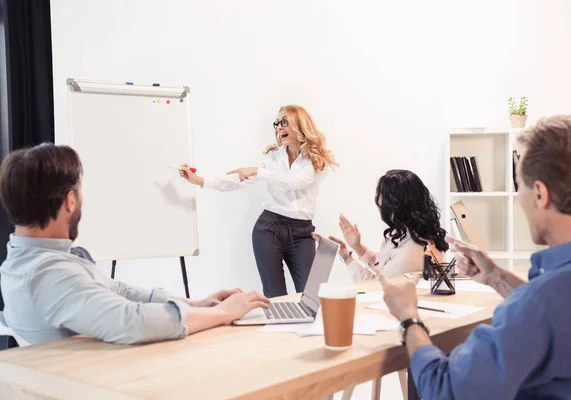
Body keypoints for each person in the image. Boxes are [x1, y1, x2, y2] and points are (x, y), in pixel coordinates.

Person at [376, 115, 571, 399]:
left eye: (520, 186)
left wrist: (409, 317)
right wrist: (496, 277)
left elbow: (444, 389)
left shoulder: (539, 305)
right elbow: (560, 312)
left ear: (541, 194)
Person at [0, 143, 269, 346]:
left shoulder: (27, 261)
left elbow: (117, 289)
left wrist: (198, 305)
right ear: (70, 201)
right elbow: (132, 321)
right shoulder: (48, 273)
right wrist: (223, 312)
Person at [179, 105, 337, 298]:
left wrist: (258, 171)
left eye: (285, 121)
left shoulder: (315, 159)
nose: (279, 127)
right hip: (270, 229)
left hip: (302, 233)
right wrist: (200, 181)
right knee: (276, 297)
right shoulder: (273, 157)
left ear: (300, 124)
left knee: (312, 296)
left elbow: (294, 182)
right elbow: (238, 180)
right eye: (277, 123)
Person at [316, 170, 448, 282]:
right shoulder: (409, 231)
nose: (377, 199)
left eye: (380, 194)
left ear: (395, 205)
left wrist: (346, 256)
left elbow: (375, 285)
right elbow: (383, 264)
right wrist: (357, 247)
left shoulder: (412, 250)